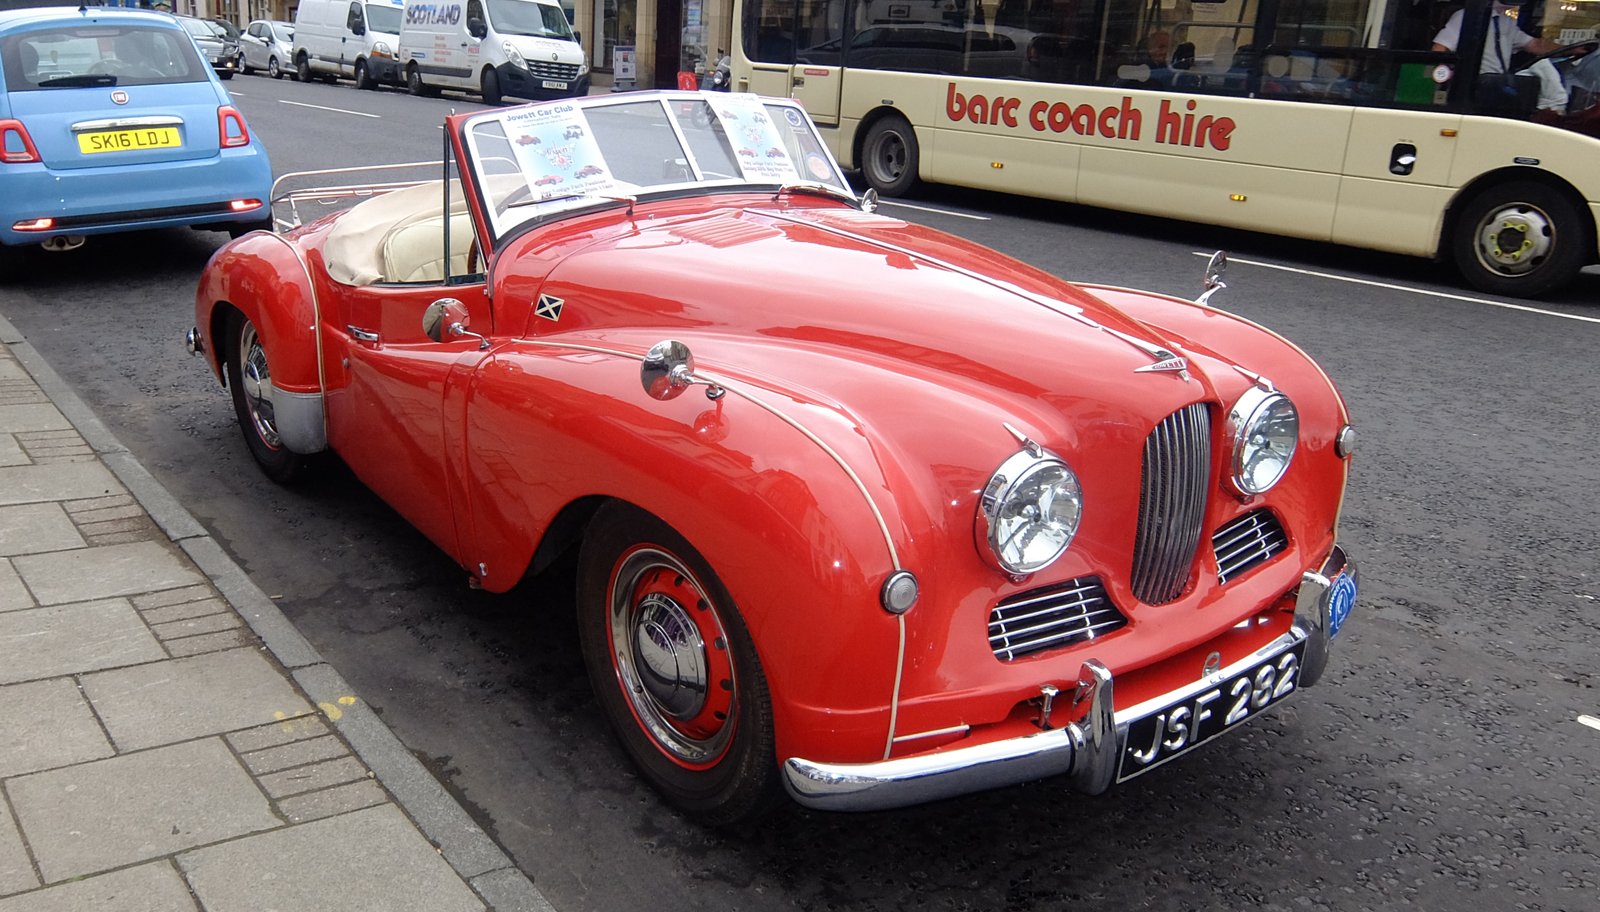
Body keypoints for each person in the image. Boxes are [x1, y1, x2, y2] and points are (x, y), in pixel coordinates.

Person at [1432, 2, 1568, 112]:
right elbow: (1440, 48)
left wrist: (1570, 49)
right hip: (1473, 86)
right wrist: (1445, 82)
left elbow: (1535, 45)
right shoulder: (1466, 16)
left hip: (1498, 84)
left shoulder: (1506, 22)